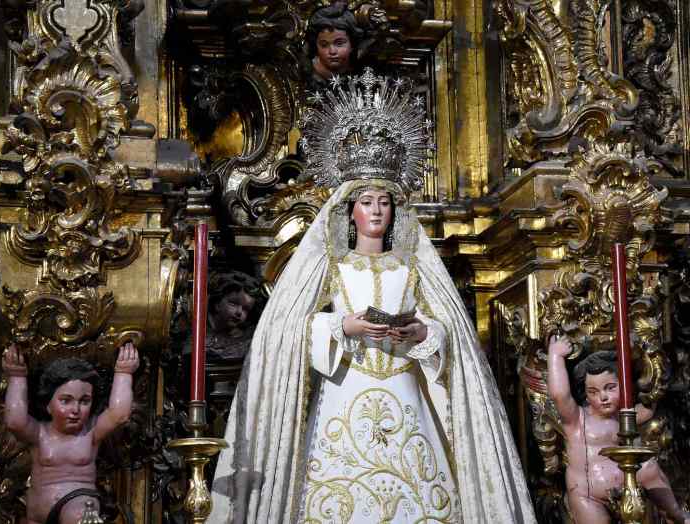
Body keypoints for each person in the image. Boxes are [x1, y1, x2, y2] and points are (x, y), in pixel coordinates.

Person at [209, 69, 536, 523]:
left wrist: (421, 332)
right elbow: (286, 330)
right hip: (344, 390)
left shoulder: (413, 264)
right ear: (350, 210)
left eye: (384, 202)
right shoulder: (332, 264)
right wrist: (343, 325)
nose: (377, 211)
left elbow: (447, 332)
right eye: (367, 202)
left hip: (406, 394)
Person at [547, 336, 690, 523]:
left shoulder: (623, 418)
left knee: (649, 468)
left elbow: (649, 405)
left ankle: (675, 514)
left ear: (623, 386)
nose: (603, 397)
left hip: (624, 486)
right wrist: (556, 355)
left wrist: (650, 361)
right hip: (587, 495)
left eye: (610, 388)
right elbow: (559, 395)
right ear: (586, 395)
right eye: (593, 392)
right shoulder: (577, 419)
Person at [2, 342, 139, 524]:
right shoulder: (39, 433)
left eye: (84, 401)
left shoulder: (91, 433)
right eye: (66, 401)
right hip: (37, 513)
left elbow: (119, 414)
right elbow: (15, 421)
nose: (75, 410)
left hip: (79, 507)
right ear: (48, 405)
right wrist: (16, 375)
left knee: (80, 518)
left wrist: (124, 372)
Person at [307, 2, 363, 82]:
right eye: (324, 45)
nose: (332, 51)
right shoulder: (305, 76)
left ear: (352, 44)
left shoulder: (364, 73)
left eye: (339, 44)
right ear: (316, 46)